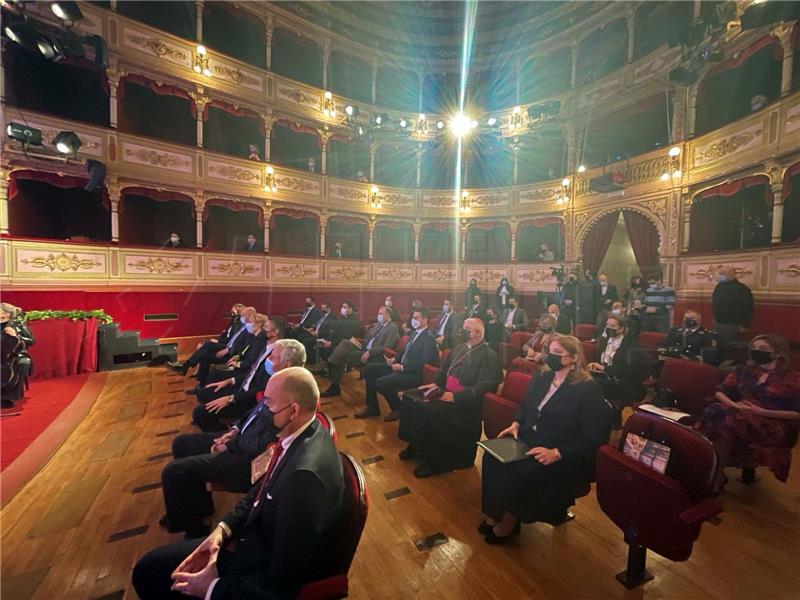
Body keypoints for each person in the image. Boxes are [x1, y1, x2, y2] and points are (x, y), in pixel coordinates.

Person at [132, 367, 344, 600]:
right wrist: (222, 531)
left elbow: (280, 587)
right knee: (149, 569)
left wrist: (211, 588)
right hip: (249, 535)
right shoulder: (304, 431)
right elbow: (261, 491)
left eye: (269, 404)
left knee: (148, 574)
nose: (263, 410)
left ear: (293, 410)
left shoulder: (303, 479)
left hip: (256, 558)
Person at [159, 339, 306, 537]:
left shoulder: (292, 396)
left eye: (273, 357)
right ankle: (198, 510)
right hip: (240, 438)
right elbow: (254, 412)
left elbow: (266, 443)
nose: (268, 359)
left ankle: (195, 529)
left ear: (287, 364)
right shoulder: (279, 382)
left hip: (248, 460)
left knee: (174, 471)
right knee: (181, 444)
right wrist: (235, 429)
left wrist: (230, 443)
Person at [479, 335, 610, 544]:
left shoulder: (587, 389)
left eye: (558, 353)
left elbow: (595, 438)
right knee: (492, 458)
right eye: (550, 351)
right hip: (530, 437)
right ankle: (495, 513)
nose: (551, 357)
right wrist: (517, 423)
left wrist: (557, 453)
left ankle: (510, 523)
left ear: (574, 358)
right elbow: (525, 406)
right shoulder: (543, 375)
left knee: (516, 471)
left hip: (561, 450)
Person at [398, 318, 502, 478]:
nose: (462, 330)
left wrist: (455, 397)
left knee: (430, 410)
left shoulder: (490, 356)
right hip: (445, 391)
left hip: (465, 403)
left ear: (478, 333)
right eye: (463, 326)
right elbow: (443, 370)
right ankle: (416, 445)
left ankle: (436, 462)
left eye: (467, 328)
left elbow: (483, 387)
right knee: (410, 397)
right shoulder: (459, 348)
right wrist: (435, 385)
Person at [697, 334, 800, 483]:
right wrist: (733, 404)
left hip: (772, 421)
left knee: (728, 421)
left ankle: (714, 475)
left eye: (763, 349)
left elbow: (797, 414)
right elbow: (719, 391)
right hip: (739, 413)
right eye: (755, 348)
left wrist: (760, 411)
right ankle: (709, 468)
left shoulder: (792, 378)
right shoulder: (745, 370)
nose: (757, 351)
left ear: (778, 353)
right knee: (715, 410)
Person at [191, 315, 282, 430]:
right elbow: (252, 374)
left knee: (200, 414)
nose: (262, 328)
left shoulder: (275, 357)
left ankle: (225, 435)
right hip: (242, 386)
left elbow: (260, 389)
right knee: (203, 393)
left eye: (266, 327)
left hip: (248, 398)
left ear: (275, 332)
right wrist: (229, 381)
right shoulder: (266, 347)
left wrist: (232, 398)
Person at [357, 308, 438, 421]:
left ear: (425, 320)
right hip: (399, 367)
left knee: (381, 383)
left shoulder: (429, 338)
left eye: (416, 318)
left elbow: (425, 364)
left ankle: (398, 407)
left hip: (412, 374)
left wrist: (403, 367)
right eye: (412, 318)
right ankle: (372, 407)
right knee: (370, 369)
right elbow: (404, 352)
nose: (413, 321)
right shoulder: (414, 333)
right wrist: (394, 359)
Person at [321, 306, 399, 397]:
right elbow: (368, 338)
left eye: (381, 314)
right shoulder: (377, 325)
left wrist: (370, 352)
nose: (379, 316)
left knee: (341, 356)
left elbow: (387, 346)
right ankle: (330, 364)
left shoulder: (392, 328)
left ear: (388, 315)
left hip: (372, 353)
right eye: (378, 314)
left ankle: (333, 380)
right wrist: (357, 342)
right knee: (345, 342)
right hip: (363, 347)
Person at [587, 316, 647, 427]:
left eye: (613, 326)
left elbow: (630, 370)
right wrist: (594, 365)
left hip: (623, 382)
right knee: (583, 377)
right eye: (607, 325)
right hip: (605, 376)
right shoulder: (604, 342)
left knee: (592, 383)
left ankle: (599, 417)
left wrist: (604, 368)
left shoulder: (630, 346)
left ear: (622, 329)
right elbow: (600, 361)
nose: (609, 328)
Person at [172, 307, 256, 384]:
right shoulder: (243, 326)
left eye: (243, 314)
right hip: (227, 346)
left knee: (207, 346)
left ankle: (185, 366)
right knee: (204, 353)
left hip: (232, 354)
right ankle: (201, 384)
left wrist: (228, 350)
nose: (241, 316)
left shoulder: (251, 330)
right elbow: (229, 336)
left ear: (250, 315)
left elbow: (244, 347)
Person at [712, 266, 754, 357]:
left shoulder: (741, 289)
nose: (719, 276)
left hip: (732, 325)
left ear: (732, 274)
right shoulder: (719, 286)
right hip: (718, 323)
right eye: (719, 274)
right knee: (717, 348)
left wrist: (744, 325)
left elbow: (746, 309)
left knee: (729, 350)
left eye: (722, 274)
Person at [1, 303, 34, 406]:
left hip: (16, 354)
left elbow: (31, 340)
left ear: (6, 314)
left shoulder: (18, 324)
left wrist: (15, 335)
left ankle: (9, 396)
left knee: (23, 363)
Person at [316, 301, 363, 367]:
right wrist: (328, 341)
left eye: (344, 307)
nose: (342, 309)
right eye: (342, 307)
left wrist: (332, 343)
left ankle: (329, 367)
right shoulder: (342, 318)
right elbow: (335, 331)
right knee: (321, 346)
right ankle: (326, 366)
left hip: (346, 343)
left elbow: (347, 337)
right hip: (337, 341)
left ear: (350, 309)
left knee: (329, 350)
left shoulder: (354, 321)